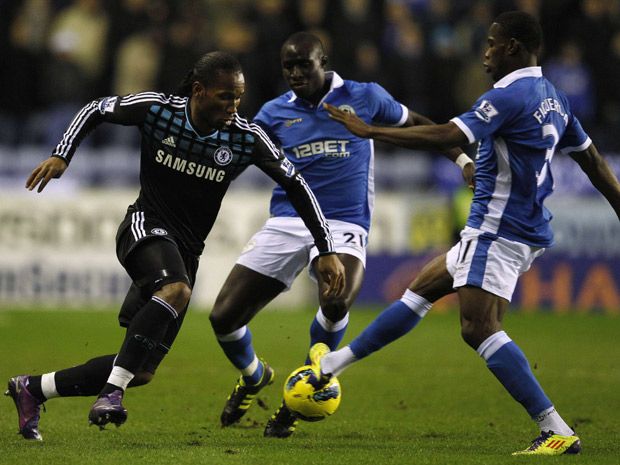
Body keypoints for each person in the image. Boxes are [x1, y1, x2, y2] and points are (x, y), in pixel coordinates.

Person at [319, 10, 620, 455]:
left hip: (499, 229)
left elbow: (445, 133)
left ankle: (556, 428)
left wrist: (371, 131)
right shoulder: (554, 97)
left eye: (492, 43)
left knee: (478, 327)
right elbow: (593, 162)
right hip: (516, 226)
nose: (485, 52)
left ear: (514, 47)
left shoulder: (510, 95)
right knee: (421, 288)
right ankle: (331, 365)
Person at [5, 51, 346, 441]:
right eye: (225, 97)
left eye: (238, 98)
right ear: (199, 91)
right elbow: (96, 108)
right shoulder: (157, 110)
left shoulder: (246, 138)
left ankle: (32, 389)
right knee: (176, 290)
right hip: (143, 225)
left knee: (143, 370)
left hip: (187, 251)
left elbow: (297, 185)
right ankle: (111, 393)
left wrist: (327, 249)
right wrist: (62, 154)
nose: (234, 107)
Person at [208, 31, 474, 438]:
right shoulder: (274, 113)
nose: (295, 73)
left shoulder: (364, 97)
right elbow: (235, 156)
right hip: (288, 220)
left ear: (323, 62)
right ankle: (254, 375)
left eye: (303, 65)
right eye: (288, 67)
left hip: (344, 222)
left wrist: (460, 158)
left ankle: (307, 388)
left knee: (337, 298)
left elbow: (417, 123)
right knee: (224, 317)